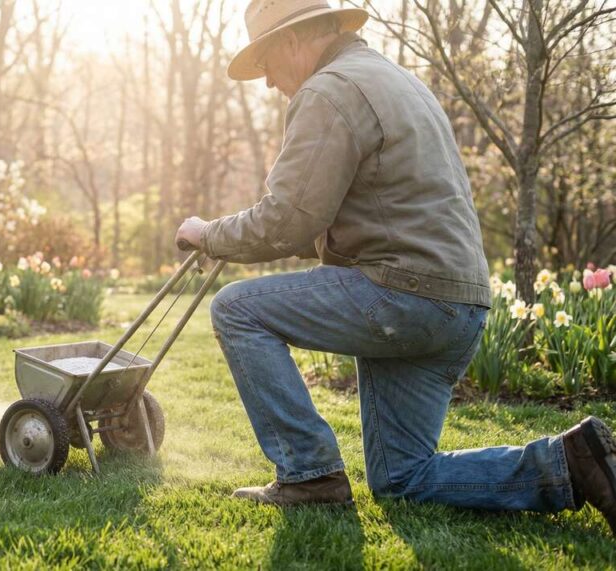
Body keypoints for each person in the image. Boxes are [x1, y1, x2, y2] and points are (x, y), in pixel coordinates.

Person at [174, 0, 616, 534]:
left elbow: (285, 224)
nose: (268, 83)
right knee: (403, 477)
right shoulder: (397, 79)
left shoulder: (327, 90)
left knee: (237, 308)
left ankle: (309, 475)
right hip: (459, 304)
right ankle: (570, 463)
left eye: (265, 64)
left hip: (403, 295)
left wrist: (207, 234)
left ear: (291, 41)